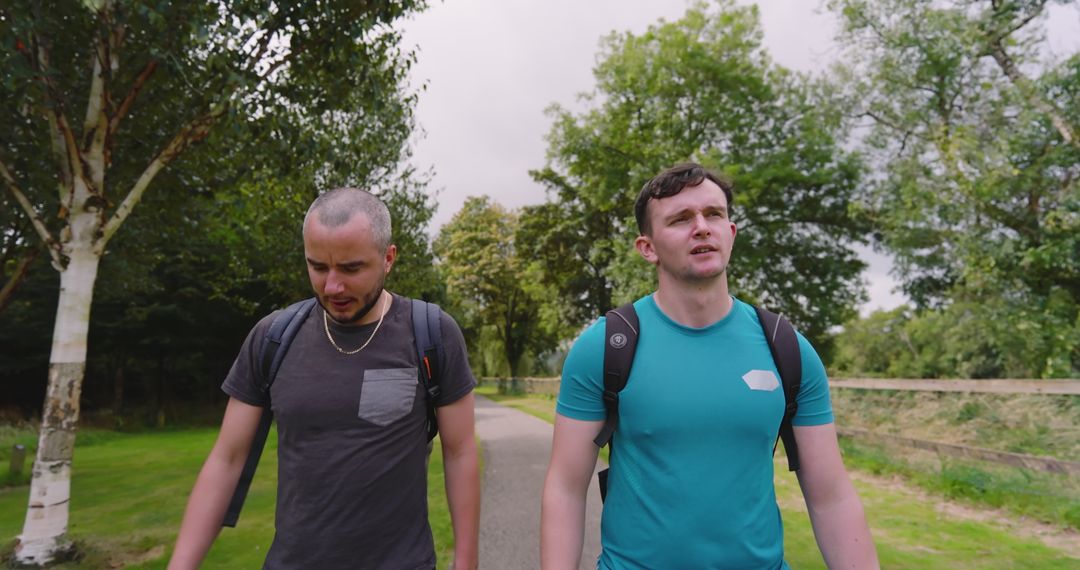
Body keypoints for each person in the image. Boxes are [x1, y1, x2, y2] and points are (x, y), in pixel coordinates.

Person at [541, 163, 878, 569]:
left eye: (714, 214)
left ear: (731, 233)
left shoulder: (787, 348)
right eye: (681, 219)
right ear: (647, 248)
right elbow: (565, 488)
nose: (701, 227)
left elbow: (832, 498)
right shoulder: (606, 346)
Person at [169, 188, 480, 570]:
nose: (332, 286)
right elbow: (227, 459)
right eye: (318, 267)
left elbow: (460, 452)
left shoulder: (432, 334)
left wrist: (466, 562)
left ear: (388, 258)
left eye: (351, 269)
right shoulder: (272, 338)